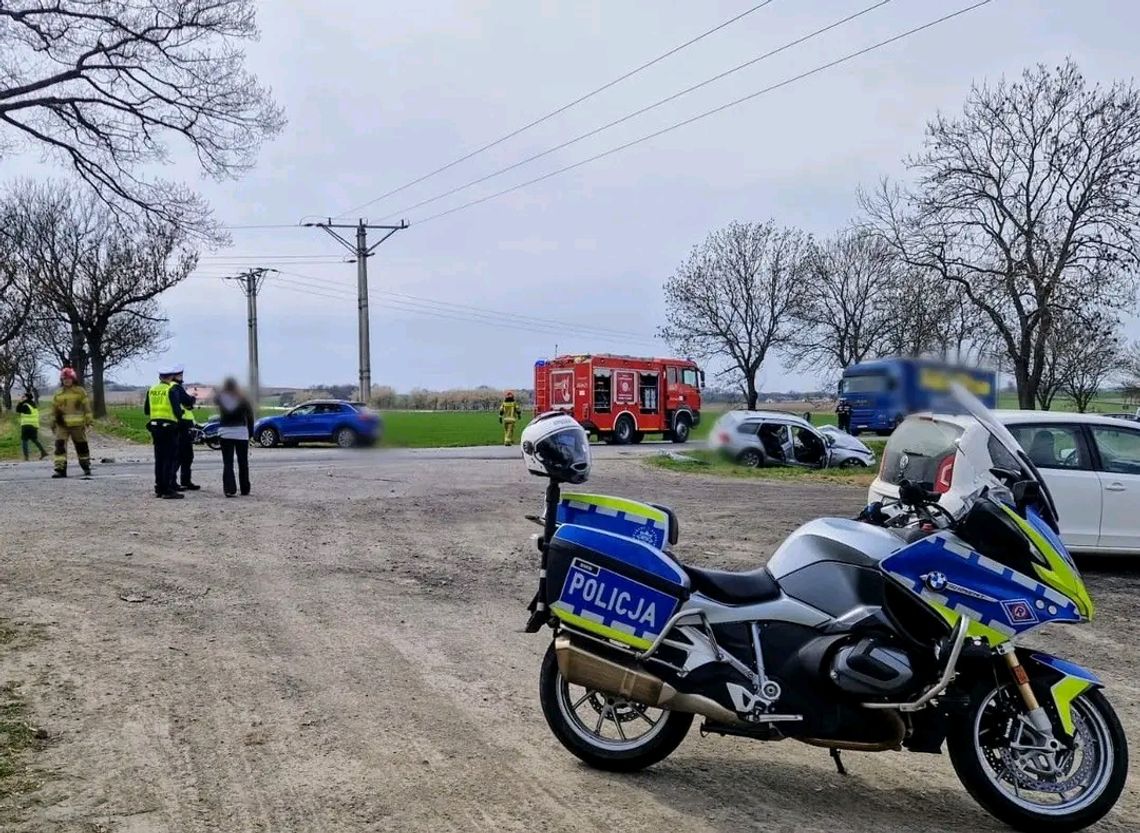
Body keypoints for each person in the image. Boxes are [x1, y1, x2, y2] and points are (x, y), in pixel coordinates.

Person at [145, 366, 184, 499]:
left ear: (159, 377)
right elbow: (177, 410)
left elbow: (146, 410)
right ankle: (167, 489)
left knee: (159, 459)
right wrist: (180, 417)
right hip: (169, 427)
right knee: (169, 458)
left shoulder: (152, 389)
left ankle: (159, 488)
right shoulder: (171, 389)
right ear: (171, 377)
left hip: (155, 427)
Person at [215, 377, 254, 497]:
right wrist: (250, 432)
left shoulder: (221, 399)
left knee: (228, 462)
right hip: (241, 433)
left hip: (225, 432)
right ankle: (245, 488)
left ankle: (229, 489)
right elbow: (250, 416)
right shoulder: (243, 399)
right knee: (243, 462)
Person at [51, 368, 93, 478]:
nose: (66, 381)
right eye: (64, 379)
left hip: (77, 425)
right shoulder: (58, 393)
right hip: (62, 425)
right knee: (59, 447)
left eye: (68, 378)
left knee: (82, 446)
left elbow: (87, 408)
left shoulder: (80, 392)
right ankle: (60, 470)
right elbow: (54, 410)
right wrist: (53, 423)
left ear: (73, 379)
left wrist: (89, 421)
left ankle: (86, 467)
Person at [170, 367, 200, 491]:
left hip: (176, 424)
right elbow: (187, 402)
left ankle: (179, 481)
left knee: (180, 454)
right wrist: (192, 397)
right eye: (180, 375)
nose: (182, 376)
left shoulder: (169, 387)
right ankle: (180, 481)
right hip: (183, 424)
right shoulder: (176, 387)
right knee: (184, 455)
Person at [16, 390, 48, 461]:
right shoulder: (33, 405)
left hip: (26, 425)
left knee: (24, 441)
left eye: (23, 397)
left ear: (26, 398)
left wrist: (20, 402)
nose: (22, 397)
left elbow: (17, 410)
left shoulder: (25, 405)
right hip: (34, 425)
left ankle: (26, 457)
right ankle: (43, 452)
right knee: (34, 440)